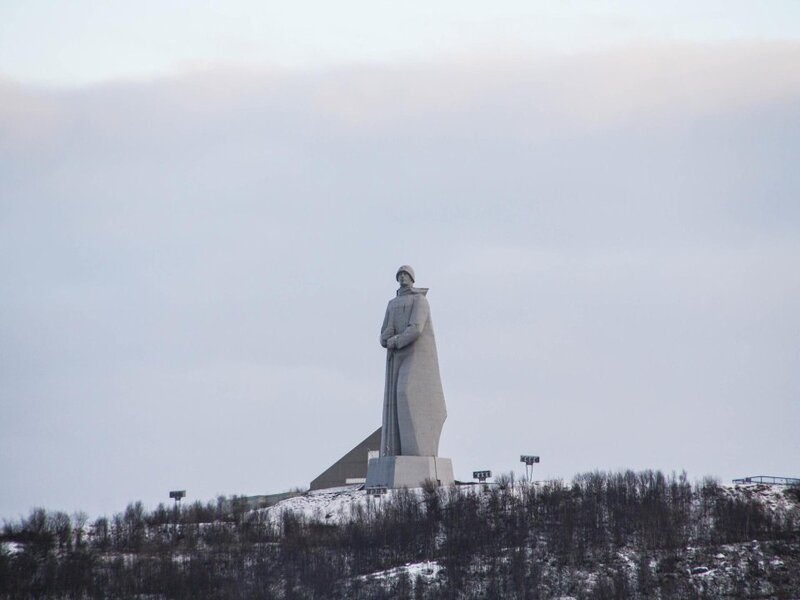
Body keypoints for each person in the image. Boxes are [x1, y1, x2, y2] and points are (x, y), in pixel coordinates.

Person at [379, 265, 447, 457]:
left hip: (415, 355)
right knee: (395, 399)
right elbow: (386, 328)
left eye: (406, 275)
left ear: (412, 278)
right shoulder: (392, 303)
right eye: (399, 275)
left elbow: (416, 327)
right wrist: (386, 338)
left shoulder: (420, 301)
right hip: (396, 354)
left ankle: (418, 452)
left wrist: (396, 341)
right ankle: (398, 451)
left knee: (406, 393)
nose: (402, 278)